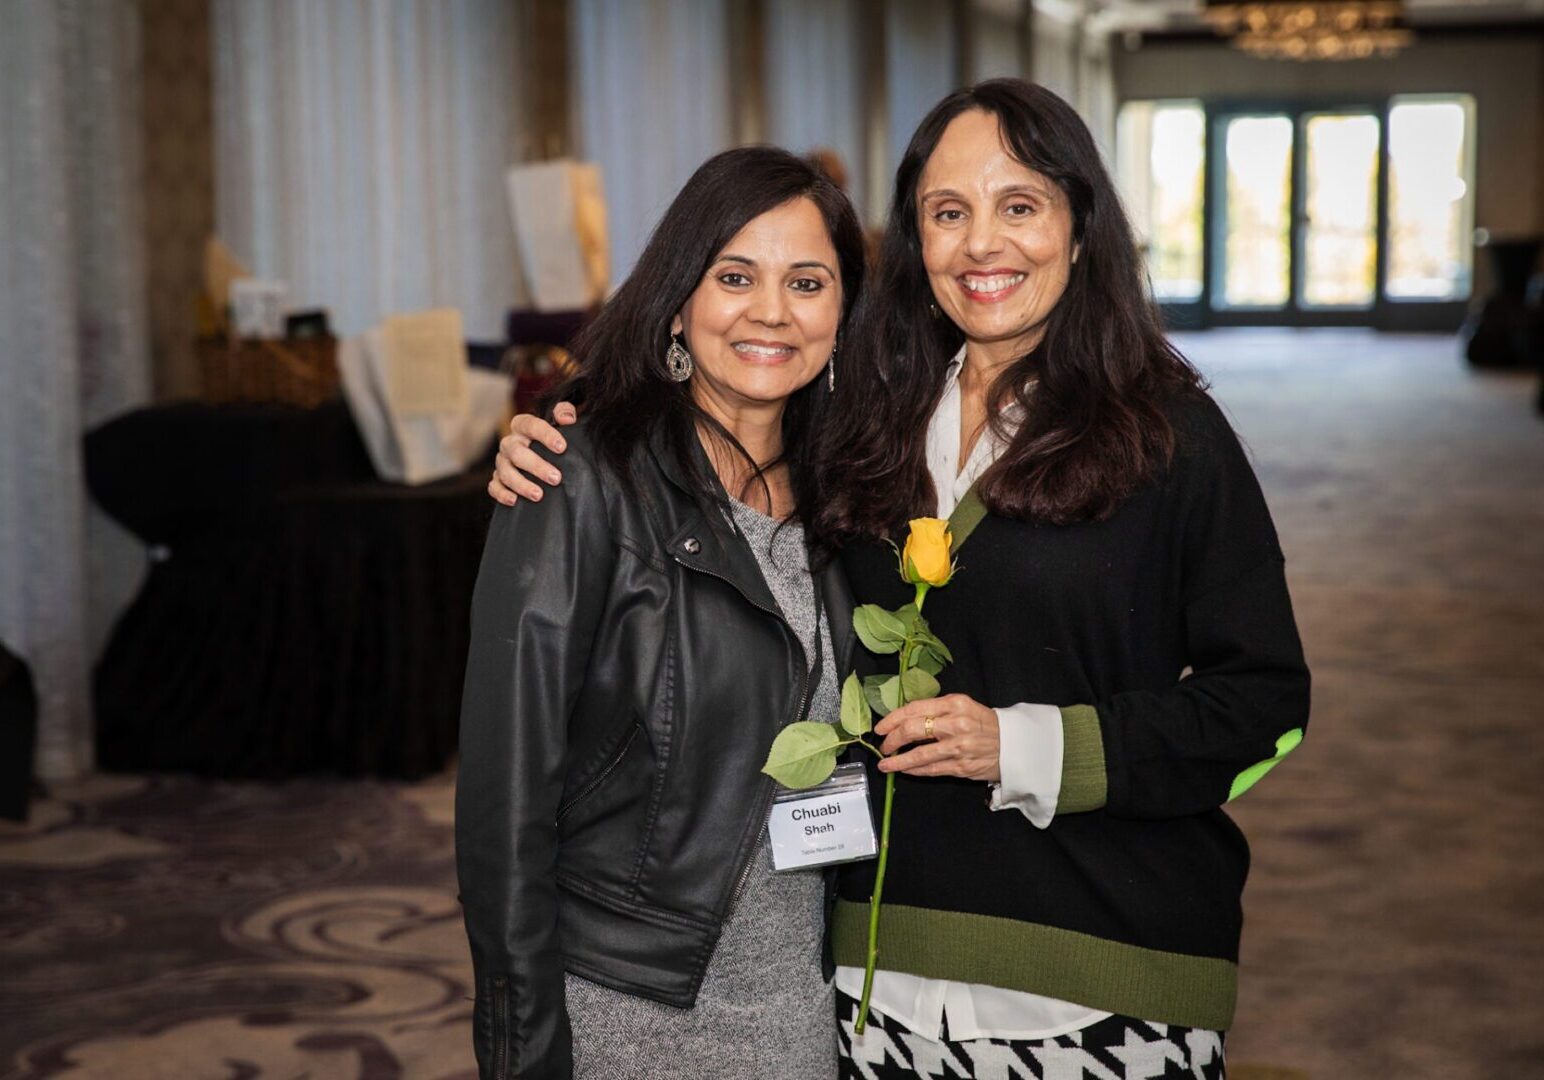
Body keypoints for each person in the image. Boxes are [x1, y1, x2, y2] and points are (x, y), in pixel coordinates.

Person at [491, 79, 1310, 1080]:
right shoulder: (866, 426)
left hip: (1103, 981)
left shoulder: (1167, 435)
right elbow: (721, 392)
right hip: (871, 993)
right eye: (947, 213)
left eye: (1019, 206)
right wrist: (565, 420)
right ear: (911, 246)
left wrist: (1025, 743)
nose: (981, 245)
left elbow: (1264, 710)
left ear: (1080, 225)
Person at [456, 145, 866, 1079]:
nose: (771, 311)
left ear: (843, 315)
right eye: (734, 276)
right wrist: (523, 1048)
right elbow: (504, 801)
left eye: (807, 281)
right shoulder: (579, 477)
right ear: (680, 298)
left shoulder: (855, 497)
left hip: (802, 1007)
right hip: (628, 1012)